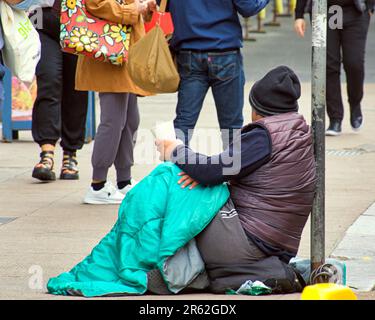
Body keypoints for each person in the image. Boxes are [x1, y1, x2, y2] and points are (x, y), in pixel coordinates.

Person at [157, 66, 317, 288]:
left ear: (257, 109)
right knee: (195, 182)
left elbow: (211, 170)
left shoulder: (264, 137)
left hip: (248, 242)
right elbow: (220, 171)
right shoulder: (296, 130)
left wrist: (175, 150)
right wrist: (206, 176)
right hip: (276, 244)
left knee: (172, 183)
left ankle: (154, 266)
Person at [156, 0, 269, 148]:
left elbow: (164, 4)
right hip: (224, 52)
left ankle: (173, 168)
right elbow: (249, 7)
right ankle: (232, 169)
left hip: (189, 53)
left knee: (184, 122)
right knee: (231, 127)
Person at [80, 0, 155, 204]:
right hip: (109, 53)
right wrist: (136, 9)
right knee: (113, 122)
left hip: (124, 53)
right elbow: (97, 5)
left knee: (130, 120)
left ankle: (124, 180)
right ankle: (98, 184)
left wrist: (145, 7)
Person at [294, 0, 374, 136]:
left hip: (355, 11)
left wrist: (371, 5)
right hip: (324, 12)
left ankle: (355, 103)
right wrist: (299, 14)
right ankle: (335, 118)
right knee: (328, 65)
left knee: (354, 63)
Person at [31, 0, 89, 182]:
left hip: (79, 19)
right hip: (41, 18)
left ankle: (70, 154)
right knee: (48, 82)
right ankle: (46, 153)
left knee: (76, 88)